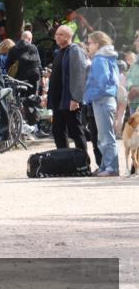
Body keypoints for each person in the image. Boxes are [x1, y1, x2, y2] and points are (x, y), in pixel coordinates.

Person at [48, 25, 90, 155]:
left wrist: (76, 98)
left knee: (75, 131)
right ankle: (64, 159)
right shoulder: (59, 52)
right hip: (58, 101)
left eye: (60, 34)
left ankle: (83, 160)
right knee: (58, 131)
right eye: (56, 34)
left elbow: (80, 75)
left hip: (70, 100)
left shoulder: (75, 51)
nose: (57, 37)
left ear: (68, 36)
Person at [83, 31, 120, 177]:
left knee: (106, 137)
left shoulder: (99, 59)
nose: (88, 46)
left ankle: (111, 167)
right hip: (107, 100)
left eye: (90, 43)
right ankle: (106, 166)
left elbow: (102, 81)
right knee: (103, 137)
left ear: (97, 44)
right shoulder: (108, 57)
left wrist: (90, 95)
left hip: (102, 100)